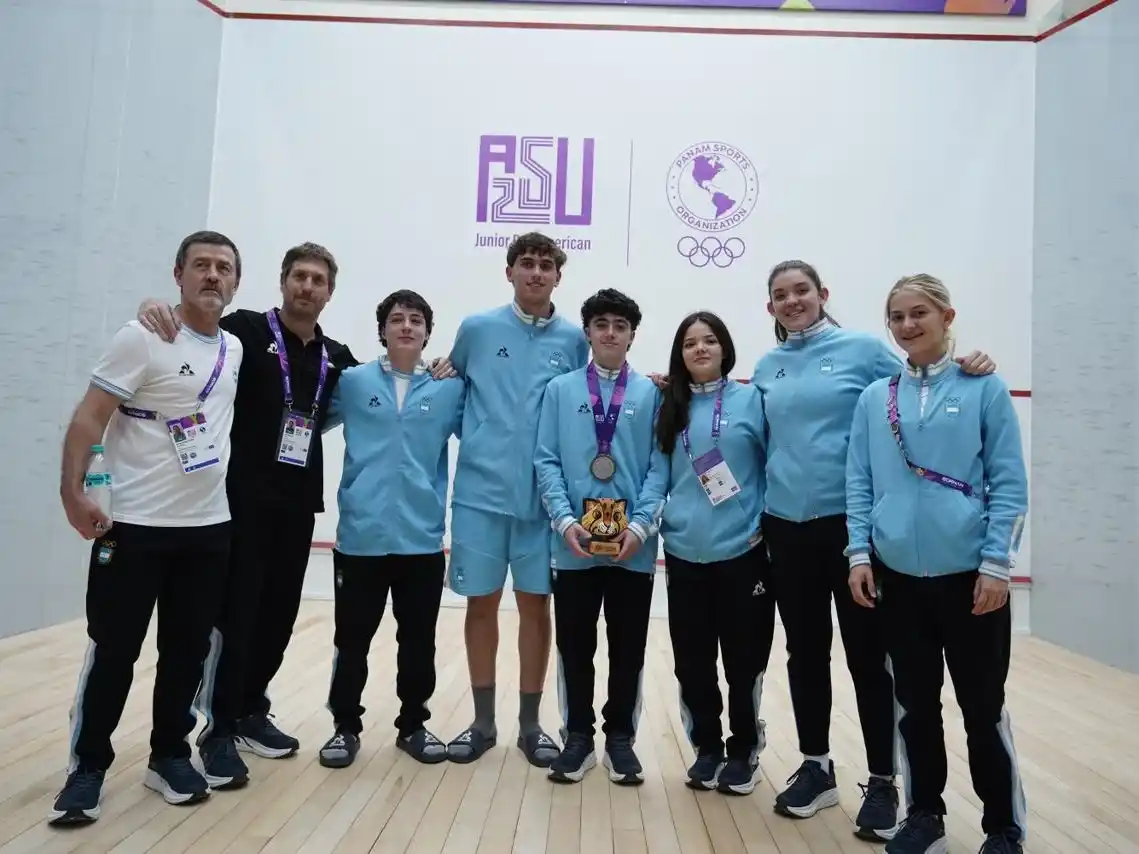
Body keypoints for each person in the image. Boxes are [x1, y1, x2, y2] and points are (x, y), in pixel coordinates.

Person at [752, 260, 996, 840]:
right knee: (804, 654)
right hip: (786, 529)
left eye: (801, 291)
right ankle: (816, 767)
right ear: (771, 307)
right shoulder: (766, 366)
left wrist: (968, 364)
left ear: (822, 294)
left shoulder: (863, 350)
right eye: (781, 295)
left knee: (869, 659)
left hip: (851, 532)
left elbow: (920, 382)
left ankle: (884, 780)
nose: (792, 301)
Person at [136, 243, 358, 786]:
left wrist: (437, 367)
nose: (308, 287)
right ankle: (216, 731)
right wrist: (152, 307)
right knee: (233, 617)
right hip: (238, 505)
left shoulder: (338, 357)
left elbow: (391, 379)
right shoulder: (243, 333)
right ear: (283, 282)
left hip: (298, 506)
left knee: (279, 616)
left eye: (318, 280)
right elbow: (194, 325)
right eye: (299, 277)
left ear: (329, 293)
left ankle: (250, 708)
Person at [50, 231, 245, 825]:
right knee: (115, 651)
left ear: (237, 281)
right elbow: (89, 416)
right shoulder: (143, 336)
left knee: (186, 651)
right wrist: (71, 492)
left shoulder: (235, 349)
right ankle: (87, 768)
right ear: (178, 274)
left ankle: (168, 755)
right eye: (202, 266)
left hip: (207, 530)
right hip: (131, 528)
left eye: (224, 268)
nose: (213, 276)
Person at [845, 274, 1028, 854]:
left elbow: (1008, 483)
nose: (906, 326)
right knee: (917, 706)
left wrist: (996, 564)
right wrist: (858, 553)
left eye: (918, 313)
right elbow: (859, 480)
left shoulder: (984, 387)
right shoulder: (876, 398)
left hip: (971, 581)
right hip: (898, 580)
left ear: (947, 317)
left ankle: (1003, 826)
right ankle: (925, 814)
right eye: (896, 317)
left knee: (981, 708)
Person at [444, 232, 591, 767]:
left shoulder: (576, 340)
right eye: (525, 263)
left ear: (558, 275)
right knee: (480, 606)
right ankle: (483, 723)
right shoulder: (478, 329)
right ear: (509, 272)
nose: (535, 272)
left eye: (545, 264)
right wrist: (481, 441)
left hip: (546, 507)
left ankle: (530, 727)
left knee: (536, 607)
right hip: (480, 499)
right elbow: (451, 387)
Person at [315, 290, 465, 769]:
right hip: (360, 539)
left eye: (415, 320)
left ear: (427, 332)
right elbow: (306, 418)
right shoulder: (354, 382)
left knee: (418, 640)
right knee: (351, 639)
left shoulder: (448, 388)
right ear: (382, 329)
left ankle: (413, 725)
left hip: (420, 540)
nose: (406, 326)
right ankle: (344, 727)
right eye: (396, 319)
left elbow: (488, 431)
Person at [533, 289, 667, 785]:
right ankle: (578, 737)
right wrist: (566, 522)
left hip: (633, 546)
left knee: (628, 647)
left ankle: (620, 740)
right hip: (573, 546)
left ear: (633, 334)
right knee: (575, 646)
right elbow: (545, 459)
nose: (611, 333)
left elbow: (661, 466)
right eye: (602, 324)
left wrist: (639, 526)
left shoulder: (653, 394)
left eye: (620, 326)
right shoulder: (560, 390)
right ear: (587, 331)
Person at [654, 312, 775, 797]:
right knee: (693, 661)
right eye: (689, 343)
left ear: (725, 348)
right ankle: (707, 748)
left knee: (743, 661)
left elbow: (776, 467)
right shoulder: (669, 404)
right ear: (679, 354)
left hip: (743, 553)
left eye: (709, 341)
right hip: (684, 553)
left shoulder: (754, 400)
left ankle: (744, 749)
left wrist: (760, 526)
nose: (699, 349)